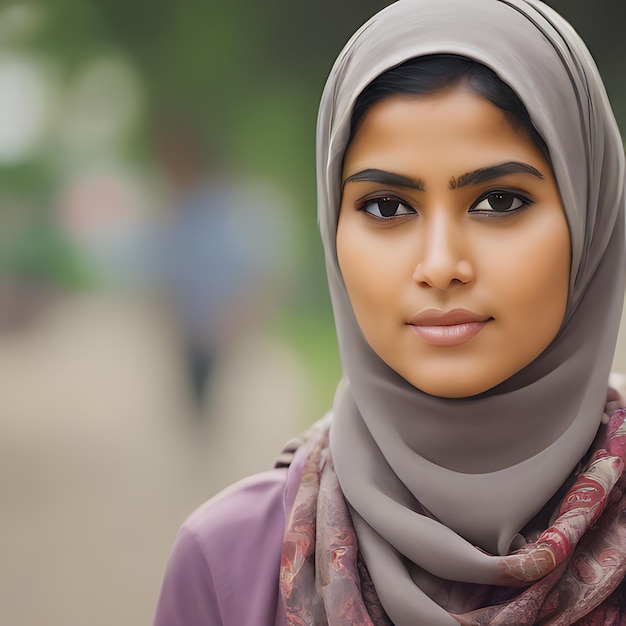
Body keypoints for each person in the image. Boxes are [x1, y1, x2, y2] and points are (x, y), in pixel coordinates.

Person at [154, 0, 626, 623]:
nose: (439, 264)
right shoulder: (228, 560)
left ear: (589, 217)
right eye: (386, 207)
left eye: (499, 200)